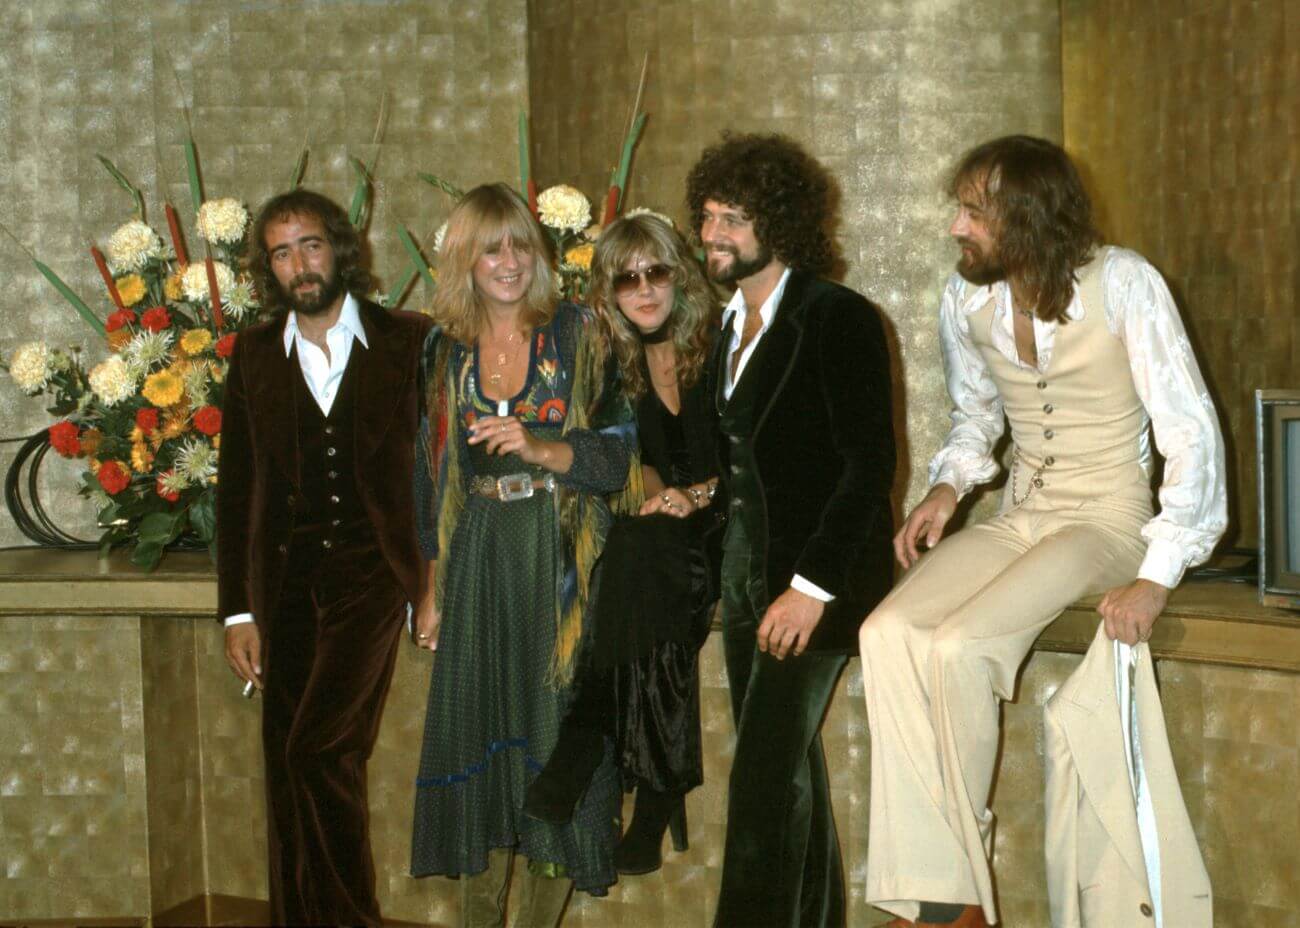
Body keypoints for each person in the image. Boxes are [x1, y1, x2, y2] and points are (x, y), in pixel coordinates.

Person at [857, 135, 1226, 928]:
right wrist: (949, 488)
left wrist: (1159, 572)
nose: (957, 228)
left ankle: (947, 904)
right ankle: (943, 892)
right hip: (1023, 509)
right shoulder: (968, 300)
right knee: (888, 631)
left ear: (1025, 216)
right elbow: (978, 417)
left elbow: (1189, 431)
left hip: (1110, 517)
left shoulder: (1124, 284)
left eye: (973, 212)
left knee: (960, 646)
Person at [409, 183, 639, 927]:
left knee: (554, 734)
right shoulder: (444, 349)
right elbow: (432, 472)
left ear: (537, 254)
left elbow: (623, 453)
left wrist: (542, 447)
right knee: (482, 732)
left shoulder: (581, 331)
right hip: (480, 556)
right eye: (489, 249)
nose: (506, 262)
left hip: (559, 555)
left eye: (518, 245)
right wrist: (432, 585)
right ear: (464, 262)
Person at [686, 133, 897, 927]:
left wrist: (811, 589)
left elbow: (867, 465)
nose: (714, 234)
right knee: (789, 774)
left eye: (734, 218)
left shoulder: (837, 318)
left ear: (781, 224)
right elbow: (738, 457)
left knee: (763, 785)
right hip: (745, 582)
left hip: (814, 586)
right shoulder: (722, 328)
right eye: (708, 215)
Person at [218, 188, 432, 926]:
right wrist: (238, 611)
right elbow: (236, 494)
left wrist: (429, 580)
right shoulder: (251, 357)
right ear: (267, 269)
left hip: (372, 577)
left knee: (320, 751)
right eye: (281, 252)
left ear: (339, 250)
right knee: (285, 767)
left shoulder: (409, 340)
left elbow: (441, 473)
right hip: (284, 582)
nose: (298, 264)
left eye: (309, 244)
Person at [521, 212, 725, 876]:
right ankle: (658, 795)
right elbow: (634, 455)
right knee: (638, 551)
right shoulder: (618, 359)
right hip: (669, 531)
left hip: (738, 517)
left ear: (678, 275)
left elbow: (754, 455)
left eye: (655, 272)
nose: (643, 289)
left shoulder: (723, 341)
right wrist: (661, 488)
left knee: (643, 558)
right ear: (608, 291)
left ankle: (585, 737)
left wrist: (696, 497)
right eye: (625, 278)